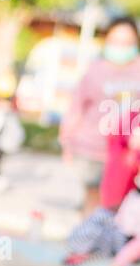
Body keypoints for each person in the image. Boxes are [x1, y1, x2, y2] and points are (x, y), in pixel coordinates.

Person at [59, 16, 140, 217]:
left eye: (127, 42)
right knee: (93, 201)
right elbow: (76, 107)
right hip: (92, 149)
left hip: (128, 152)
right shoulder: (95, 70)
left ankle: (112, 245)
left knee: (121, 205)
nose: (121, 47)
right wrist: (66, 141)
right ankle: (86, 244)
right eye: (116, 42)